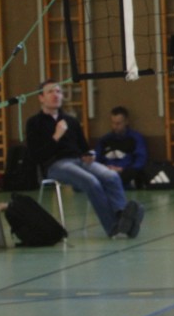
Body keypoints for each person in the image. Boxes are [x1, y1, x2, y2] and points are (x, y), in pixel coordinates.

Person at [25, 81, 144, 238]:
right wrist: (56, 136)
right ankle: (113, 226)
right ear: (41, 97)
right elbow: (36, 156)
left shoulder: (71, 121)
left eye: (58, 91)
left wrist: (90, 154)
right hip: (55, 165)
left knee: (111, 176)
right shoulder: (34, 123)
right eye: (50, 92)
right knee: (91, 181)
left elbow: (83, 147)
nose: (56, 95)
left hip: (79, 161)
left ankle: (122, 216)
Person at [96, 106, 149, 190]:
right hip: (107, 172)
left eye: (118, 123)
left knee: (136, 174)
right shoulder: (105, 140)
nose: (115, 126)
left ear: (126, 122)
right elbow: (97, 159)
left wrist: (124, 170)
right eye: (113, 123)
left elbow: (141, 159)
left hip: (125, 172)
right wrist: (105, 168)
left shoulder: (135, 138)